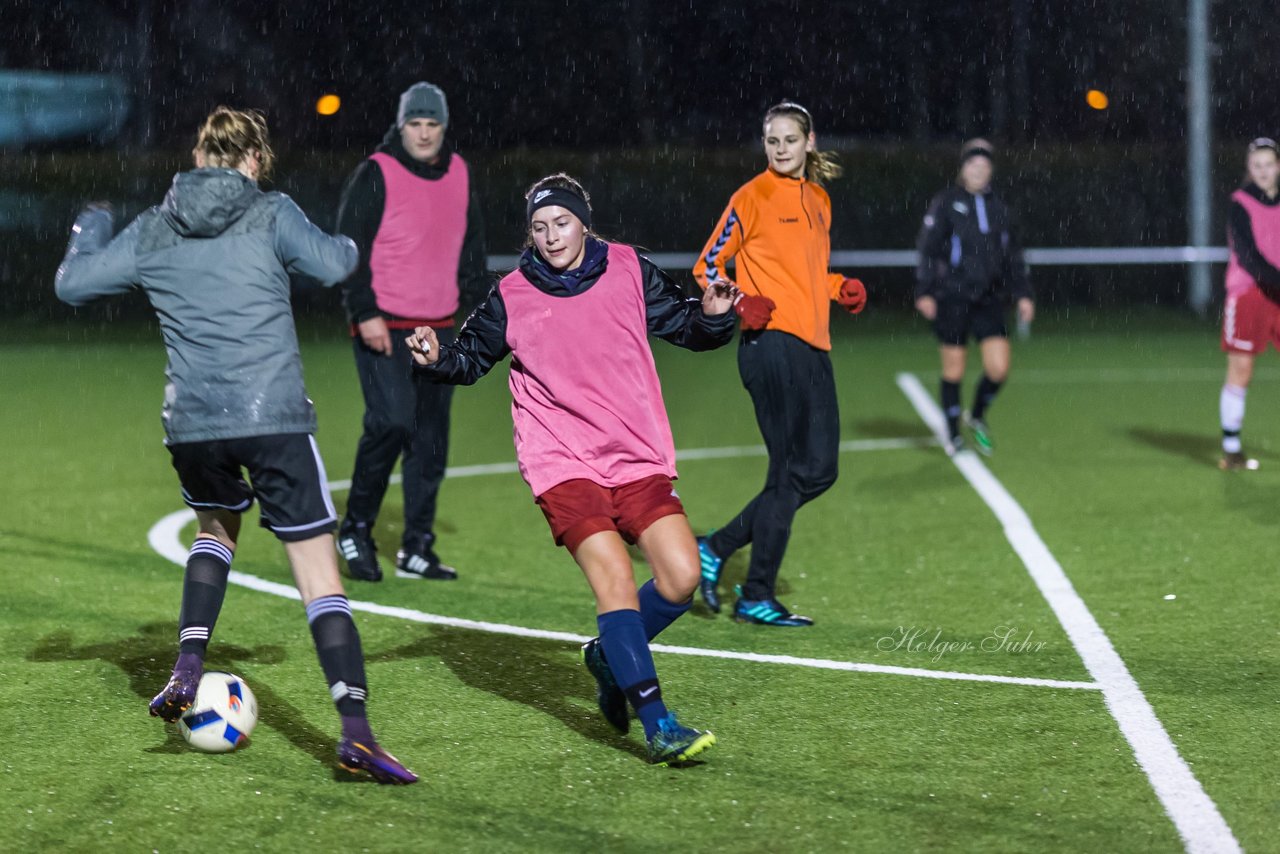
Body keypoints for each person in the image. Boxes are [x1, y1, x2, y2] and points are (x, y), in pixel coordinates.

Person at [54, 107, 417, 784]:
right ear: (253, 160)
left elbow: (71, 284)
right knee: (318, 576)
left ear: (197, 157)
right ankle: (357, 734)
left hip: (194, 423)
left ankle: (188, 666)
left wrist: (89, 228)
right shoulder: (271, 210)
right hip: (271, 414)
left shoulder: (156, 225)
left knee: (216, 526)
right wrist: (326, 228)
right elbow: (338, 263)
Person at [407, 173, 736, 765]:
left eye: (561, 222)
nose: (551, 237)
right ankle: (659, 724)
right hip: (561, 460)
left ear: (584, 221)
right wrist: (436, 359)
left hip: (635, 455)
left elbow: (687, 328)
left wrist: (713, 316)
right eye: (539, 228)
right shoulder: (512, 293)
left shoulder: (630, 268)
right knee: (613, 578)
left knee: (682, 577)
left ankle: (609, 656)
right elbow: (468, 359)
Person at [691, 101, 867, 627]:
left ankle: (717, 547)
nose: (781, 149)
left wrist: (840, 288)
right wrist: (741, 300)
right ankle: (756, 594)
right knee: (789, 472)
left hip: (813, 346)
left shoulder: (818, 198)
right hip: (769, 345)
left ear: (809, 142)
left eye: (790, 140)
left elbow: (809, 272)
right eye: (772, 141)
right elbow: (707, 265)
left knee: (821, 470)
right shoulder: (752, 196)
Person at [334, 81, 489, 582]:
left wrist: (472, 313)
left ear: (444, 128)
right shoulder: (376, 172)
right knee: (391, 424)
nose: (423, 134)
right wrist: (364, 311)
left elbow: (472, 249)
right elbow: (347, 248)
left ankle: (417, 546)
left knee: (430, 443)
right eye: (415, 124)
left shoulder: (461, 173)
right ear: (402, 126)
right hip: (384, 326)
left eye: (432, 125)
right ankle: (356, 531)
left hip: (439, 330)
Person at [914, 138, 1033, 456]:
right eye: (972, 164)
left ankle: (976, 414)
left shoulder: (1000, 208)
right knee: (954, 369)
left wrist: (1023, 295)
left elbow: (1013, 257)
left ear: (990, 170)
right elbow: (928, 249)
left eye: (984, 165)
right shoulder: (947, 202)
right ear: (963, 168)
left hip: (989, 298)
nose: (978, 170)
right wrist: (924, 291)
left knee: (999, 369)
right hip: (952, 297)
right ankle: (952, 433)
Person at [1219, 137, 1280, 470]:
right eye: (1257, 165)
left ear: (1278, 166)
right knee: (1241, 369)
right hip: (1250, 293)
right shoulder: (1239, 204)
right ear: (1249, 168)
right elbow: (1249, 257)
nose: (1263, 171)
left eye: (1269, 164)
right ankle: (1231, 449)